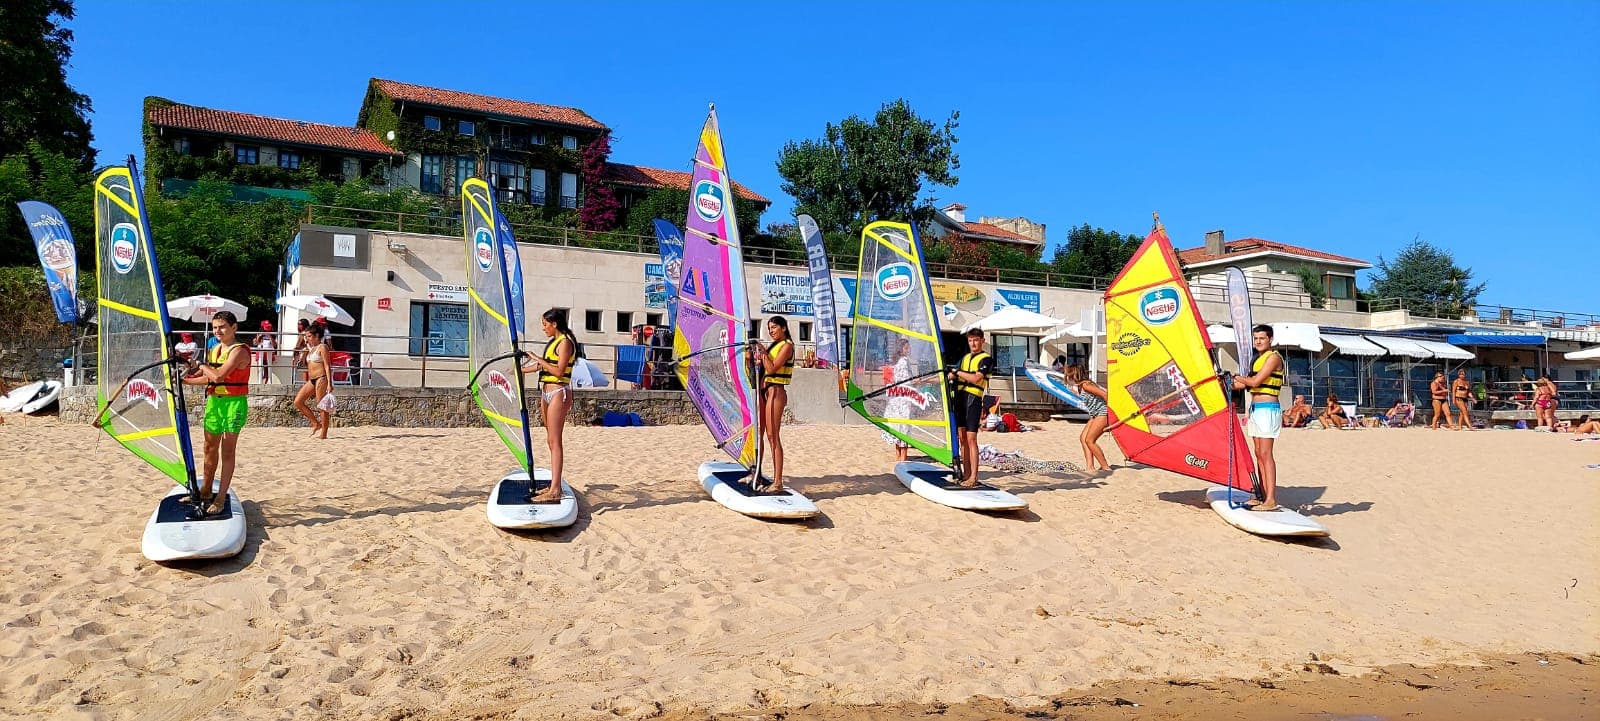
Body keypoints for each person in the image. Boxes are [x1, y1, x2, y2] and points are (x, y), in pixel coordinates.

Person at [178, 311, 250, 516]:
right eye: (215, 327)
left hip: (233, 404)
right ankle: (206, 490)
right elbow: (206, 378)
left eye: (222, 327)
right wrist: (184, 380)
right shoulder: (214, 349)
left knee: (227, 451)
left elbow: (218, 376)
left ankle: (220, 497)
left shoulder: (239, 351)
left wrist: (200, 364)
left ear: (234, 327)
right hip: (214, 404)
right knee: (209, 448)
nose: (218, 331)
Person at [521, 308, 578, 503]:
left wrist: (537, 358)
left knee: (555, 440)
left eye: (545, 324)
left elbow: (559, 371)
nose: (543, 328)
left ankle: (555, 489)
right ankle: (554, 484)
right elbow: (541, 366)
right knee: (549, 440)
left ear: (555, 324)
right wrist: (519, 370)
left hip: (558, 393)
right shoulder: (553, 343)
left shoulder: (565, 343)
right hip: (545, 393)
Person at [1231, 324, 1284, 511]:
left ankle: (1271, 499)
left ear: (1270, 339)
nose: (1258, 341)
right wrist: (1227, 381)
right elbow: (1245, 385)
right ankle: (1260, 494)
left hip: (1268, 410)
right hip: (1255, 409)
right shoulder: (1258, 359)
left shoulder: (1273, 358)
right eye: (1256, 339)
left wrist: (1237, 376)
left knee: (1266, 454)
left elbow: (1254, 381)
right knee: (1258, 453)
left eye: (1262, 338)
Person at [750, 316, 795, 492]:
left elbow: (772, 368)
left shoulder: (787, 346)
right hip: (764, 391)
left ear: (783, 328)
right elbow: (762, 367)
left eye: (774, 327)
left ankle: (778, 481)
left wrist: (762, 351)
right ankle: (756, 472)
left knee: (772, 436)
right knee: (758, 434)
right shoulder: (774, 346)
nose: (771, 331)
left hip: (776, 392)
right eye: (769, 328)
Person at [947, 328, 994, 487]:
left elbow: (975, 378)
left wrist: (957, 372)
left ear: (982, 341)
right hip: (960, 399)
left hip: (973, 400)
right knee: (962, 439)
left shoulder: (986, 359)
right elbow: (953, 374)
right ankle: (966, 475)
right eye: (970, 340)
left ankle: (973, 477)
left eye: (976, 340)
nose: (973, 343)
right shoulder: (965, 358)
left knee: (971, 438)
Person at [1063, 364, 1111, 472]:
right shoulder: (1081, 387)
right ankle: (1090, 467)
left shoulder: (1086, 385)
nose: (1067, 378)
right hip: (1095, 414)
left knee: (1090, 440)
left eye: (1068, 376)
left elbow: (1105, 395)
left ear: (1073, 375)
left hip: (1102, 413)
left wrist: (1113, 413)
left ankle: (1105, 467)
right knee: (1083, 438)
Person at [293, 323, 331, 438]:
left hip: (321, 378)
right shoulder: (310, 349)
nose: (307, 338)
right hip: (312, 379)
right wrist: (303, 355)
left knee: (321, 406)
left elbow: (327, 366)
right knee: (298, 402)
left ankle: (324, 432)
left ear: (317, 335)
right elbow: (305, 365)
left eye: (309, 336)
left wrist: (330, 383)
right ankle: (315, 423)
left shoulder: (322, 347)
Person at [881, 337, 914, 463]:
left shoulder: (896, 362)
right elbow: (908, 382)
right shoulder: (904, 361)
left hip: (894, 399)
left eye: (908, 347)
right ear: (901, 350)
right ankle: (903, 458)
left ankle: (898, 456)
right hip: (903, 399)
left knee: (897, 427)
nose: (909, 349)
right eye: (906, 347)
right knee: (903, 428)